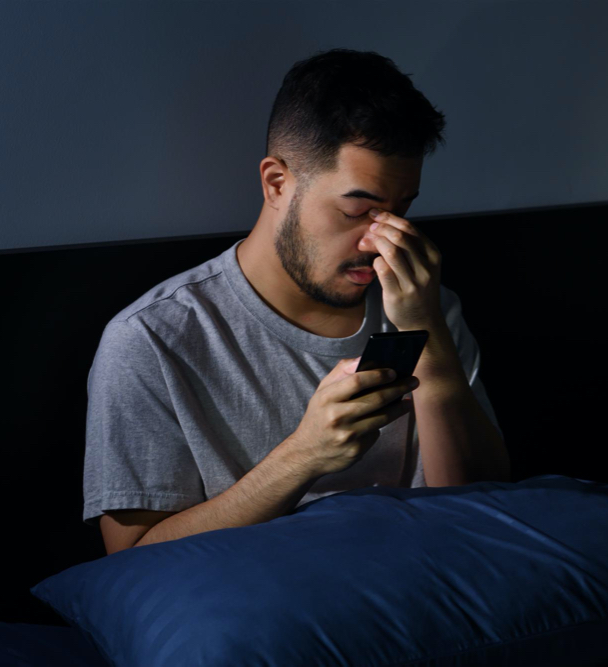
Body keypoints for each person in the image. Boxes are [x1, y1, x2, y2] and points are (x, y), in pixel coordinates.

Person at [84, 48, 509, 556]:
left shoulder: (427, 305)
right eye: (359, 209)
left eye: (401, 211)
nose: (381, 242)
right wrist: (302, 457)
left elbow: (484, 511)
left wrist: (429, 336)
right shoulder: (151, 340)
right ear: (277, 183)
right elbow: (130, 562)